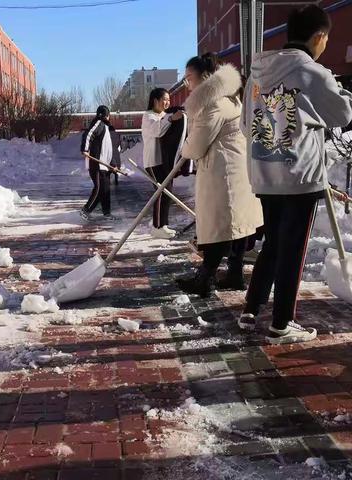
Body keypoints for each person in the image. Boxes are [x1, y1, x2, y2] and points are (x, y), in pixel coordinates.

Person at [239, 5, 352, 344]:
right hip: (299, 174)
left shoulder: (257, 72)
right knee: (293, 249)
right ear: (319, 36)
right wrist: (339, 88)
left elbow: (246, 124)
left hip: (264, 171)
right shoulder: (312, 72)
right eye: (326, 39)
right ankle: (282, 323)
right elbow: (342, 114)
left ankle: (252, 307)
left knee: (273, 242)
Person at [176, 53, 263, 298]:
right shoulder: (231, 99)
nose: (188, 84)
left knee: (219, 230)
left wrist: (186, 146)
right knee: (236, 227)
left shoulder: (212, 104)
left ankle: (205, 279)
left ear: (204, 77)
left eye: (189, 78)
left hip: (222, 176)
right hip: (236, 173)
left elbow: (194, 148)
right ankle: (234, 275)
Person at [141, 89, 186, 239]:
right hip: (153, 161)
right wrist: (171, 119)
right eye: (164, 99)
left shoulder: (165, 116)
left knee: (168, 193)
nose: (167, 102)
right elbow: (157, 130)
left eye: (168, 100)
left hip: (165, 161)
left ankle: (163, 224)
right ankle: (157, 226)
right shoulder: (148, 116)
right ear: (155, 100)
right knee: (160, 192)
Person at [80, 105, 119, 221]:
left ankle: (107, 213)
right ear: (106, 115)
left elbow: (109, 149)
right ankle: (85, 210)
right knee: (98, 188)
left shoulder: (106, 128)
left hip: (105, 166)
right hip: (97, 164)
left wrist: (113, 165)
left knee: (105, 190)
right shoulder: (99, 123)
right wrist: (85, 149)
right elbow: (88, 135)